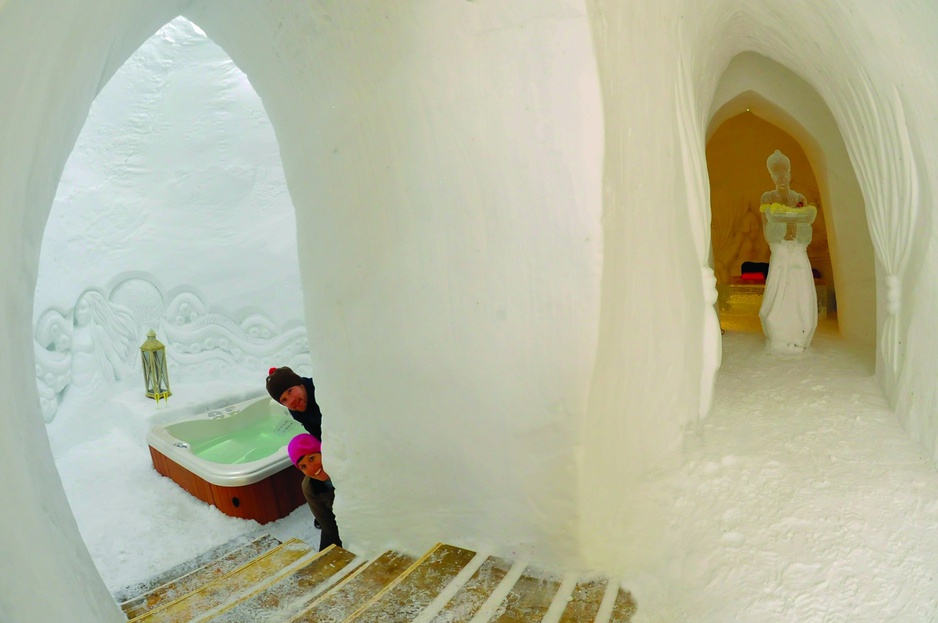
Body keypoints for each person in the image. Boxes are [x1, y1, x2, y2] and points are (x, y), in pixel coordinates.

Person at [758, 150, 818, 351]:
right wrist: (782, 219)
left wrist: (791, 218)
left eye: (785, 173)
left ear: (791, 174)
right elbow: (769, 228)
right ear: (772, 176)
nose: (782, 177)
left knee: (799, 296)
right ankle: (778, 336)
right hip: (781, 254)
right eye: (777, 174)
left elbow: (805, 227)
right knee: (779, 296)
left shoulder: (799, 197)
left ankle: (800, 336)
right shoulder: (767, 197)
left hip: (798, 255)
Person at [288, 433, 342, 551]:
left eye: (312, 458)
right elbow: (327, 524)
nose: (311, 469)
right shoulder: (310, 487)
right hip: (339, 526)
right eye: (303, 466)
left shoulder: (345, 466)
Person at [266, 366, 323, 438]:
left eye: (290, 391)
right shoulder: (296, 411)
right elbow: (318, 435)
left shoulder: (320, 388)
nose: (291, 401)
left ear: (300, 384)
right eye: (284, 400)